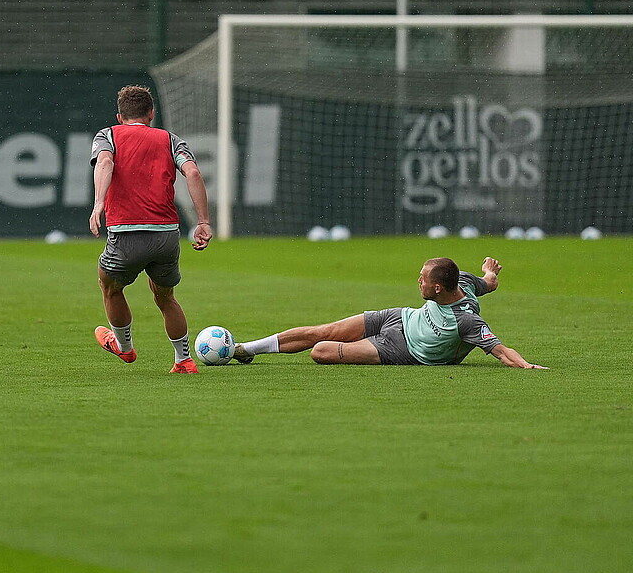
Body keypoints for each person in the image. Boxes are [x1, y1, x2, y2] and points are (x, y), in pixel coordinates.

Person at [89, 85, 213, 373]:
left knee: (110, 288)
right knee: (165, 296)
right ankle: (183, 360)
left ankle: (124, 347)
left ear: (120, 117)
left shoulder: (108, 135)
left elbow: (105, 162)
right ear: (152, 114)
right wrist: (203, 222)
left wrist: (98, 204)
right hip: (165, 235)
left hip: (126, 234)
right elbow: (192, 172)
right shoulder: (170, 139)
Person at [232, 256, 547, 369]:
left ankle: (250, 349)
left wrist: (526, 365)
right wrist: (490, 273)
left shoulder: (466, 321)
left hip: (403, 349)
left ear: (439, 288)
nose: (418, 281)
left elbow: (501, 351)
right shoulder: (462, 280)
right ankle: (245, 349)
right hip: (399, 318)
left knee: (320, 351)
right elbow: (489, 284)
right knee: (324, 330)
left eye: (423, 279)